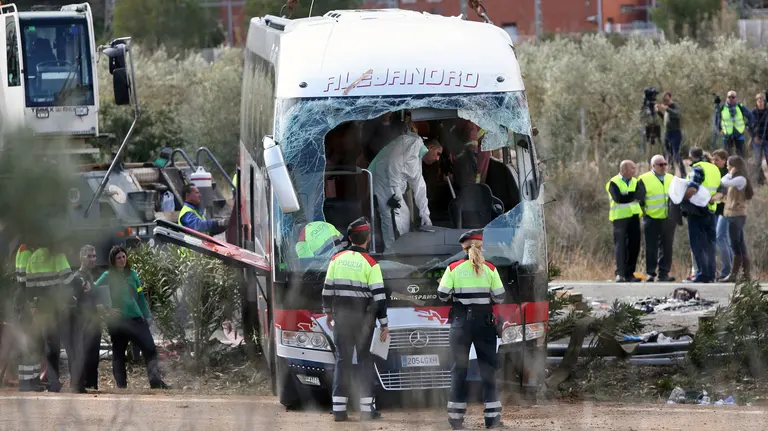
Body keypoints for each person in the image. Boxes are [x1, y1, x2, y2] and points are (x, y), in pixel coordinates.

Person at [438, 229, 505, 430]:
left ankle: (456, 420)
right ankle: (492, 419)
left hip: (460, 324)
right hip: (485, 325)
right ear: (481, 247)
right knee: (488, 371)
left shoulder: (453, 268)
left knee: (458, 371)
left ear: (463, 248)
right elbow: (500, 297)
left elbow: (442, 295)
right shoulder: (490, 269)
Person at [322, 217, 388, 422]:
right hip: (364, 321)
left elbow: (327, 290)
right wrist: (384, 323)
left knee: (342, 360)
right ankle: (367, 410)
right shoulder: (371, 263)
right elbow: (379, 297)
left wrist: (328, 312)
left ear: (350, 238)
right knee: (364, 360)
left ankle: (339, 410)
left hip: (341, 317)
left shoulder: (336, 259)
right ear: (368, 238)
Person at [95, 246, 170, 389]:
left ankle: (155, 383)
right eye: (118, 258)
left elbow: (140, 297)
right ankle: (121, 386)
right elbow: (93, 290)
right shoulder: (107, 275)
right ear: (113, 260)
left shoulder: (133, 274)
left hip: (136, 318)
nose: (122, 260)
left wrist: (147, 315)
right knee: (118, 353)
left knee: (150, 348)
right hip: (118, 322)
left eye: (123, 257)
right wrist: (105, 309)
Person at [369, 123, 442, 250]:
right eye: (438, 154)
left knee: (401, 216)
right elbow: (393, 162)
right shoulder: (413, 143)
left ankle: (397, 249)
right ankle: (393, 251)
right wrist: (394, 192)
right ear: (430, 147)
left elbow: (419, 186)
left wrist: (425, 214)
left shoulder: (417, 156)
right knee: (394, 217)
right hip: (385, 182)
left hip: (389, 183)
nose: (437, 159)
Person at [25, 244, 85, 392]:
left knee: (51, 347)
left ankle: (54, 383)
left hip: (44, 309)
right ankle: (76, 384)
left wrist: (34, 306)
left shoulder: (33, 258)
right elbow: (68, 280)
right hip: (61, 307)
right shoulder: (58, 256)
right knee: (72, 345)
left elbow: (29, 288)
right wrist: (83, 283)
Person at [682, 147, 724, 283]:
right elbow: (721, 190)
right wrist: (713, 199)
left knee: (697, 243)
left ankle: (702, 273)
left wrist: (682, 198)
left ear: (691, 157)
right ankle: (711, 274)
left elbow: (692, 188)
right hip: (711, 210)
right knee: (710, 244)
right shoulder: (714, 169)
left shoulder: (698, 168)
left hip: (696, 210)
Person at [636, 155, 675, 282]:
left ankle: (664, 273)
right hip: (651, 217)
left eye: (665, 164)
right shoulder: (644, 179)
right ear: (653, 166)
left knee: (667, 247)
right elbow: (640, 200)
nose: (663, 167)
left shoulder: (671, 178)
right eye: (660, 164)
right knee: (651, 247)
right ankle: (650, 273)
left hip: (668, 218)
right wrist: (644, 214)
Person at [74, 245, 108, 391]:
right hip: (84, 322)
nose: (93, 259)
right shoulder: (77, 277)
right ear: (81, 257)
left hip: (94, 321)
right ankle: (83, 384)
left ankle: (92, 385)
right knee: (85, 354)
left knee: (94, 355)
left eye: (94, 256)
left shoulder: (89, 276)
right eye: (89, 256)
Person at [14, 243, 44, 392]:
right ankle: (27, 382)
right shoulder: (28, 252)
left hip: (25, 298)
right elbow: (29, 281)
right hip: (27, 299)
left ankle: (33, 380)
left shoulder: (24, 250)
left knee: (34, 343)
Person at [605, 160, 642, 282]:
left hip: (634, 216)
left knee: (634, 246)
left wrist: (628, 195)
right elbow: (618, 198)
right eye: (633, 168)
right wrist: (632, 196)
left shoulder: (636, 181)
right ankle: (620, 274)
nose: (635, 170)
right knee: (621, 246)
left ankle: (630, 274)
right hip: (619, 218)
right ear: (625, 169)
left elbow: (641, 195)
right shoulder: (613, 182)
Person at [720, 156, 754, 282]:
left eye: (728, 165)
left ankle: (734, 274)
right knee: (739, 244)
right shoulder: (737, 178)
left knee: (735, 244)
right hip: (733, 215)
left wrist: (730, 173)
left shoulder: (740, 179)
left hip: (737, 215)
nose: (727, 167)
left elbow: (723, 181)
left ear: (734, 166)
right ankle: (745, 275)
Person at [711, 150, 732, 281]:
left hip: (726, 211)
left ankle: (727, 271)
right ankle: (726, 271)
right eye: (713, 159)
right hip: (716, 210)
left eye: (717, 160)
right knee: (721, 239)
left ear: (724, 161)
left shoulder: (726, 175)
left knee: (722, 238)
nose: (714, 162)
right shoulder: (713, 172)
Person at [655, 92, 685, 177]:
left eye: (667, 100)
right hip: (667, 134)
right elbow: (666, 119)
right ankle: (671, 172)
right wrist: (658, 112)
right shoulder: (667, 109)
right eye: (664, 100)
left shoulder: (675, 106)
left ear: (670, 98)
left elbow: (676, 114)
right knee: (669, 154)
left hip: (675, 133)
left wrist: (666, 108)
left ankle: (683, 173)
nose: (665, 102)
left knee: (676, 154)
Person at [716, 90, 754, 157]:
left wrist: (747, 126)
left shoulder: (740, 107)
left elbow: (751, 116)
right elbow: (717, 119)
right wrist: (720, 129)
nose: (731, 99)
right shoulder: (722, 108)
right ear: (727, 98)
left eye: (733, 97)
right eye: (729, 97)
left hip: (739, 134)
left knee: (741, 155)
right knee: (726, 156)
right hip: (727, 135)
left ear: (736, 98)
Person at [751, 93, 768, 186]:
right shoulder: (753, 112)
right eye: (759, 101)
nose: (761, 102)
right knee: (757, 161)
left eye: (762, 100)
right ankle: (758, 180)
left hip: (767, 139)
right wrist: (754, 137)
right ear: (756, 102)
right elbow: (750, 126)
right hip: (757, 140)